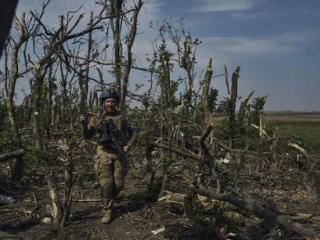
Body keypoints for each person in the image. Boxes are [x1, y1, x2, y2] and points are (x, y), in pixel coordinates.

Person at [80, 91, 133, 224]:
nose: (110, 104)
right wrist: (83, 125)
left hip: (118, 153)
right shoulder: (96, 118)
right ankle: (108, 210)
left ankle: (111, 200)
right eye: (108, 101)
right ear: (103, 102)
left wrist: (128, 146)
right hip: (103, 153)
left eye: (113, 101)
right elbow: (87, 136)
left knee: (119, 184)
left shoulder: (121, 117)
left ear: (116, 103)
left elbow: (133, 132)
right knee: (107, 184)